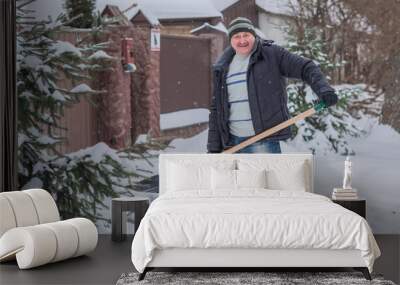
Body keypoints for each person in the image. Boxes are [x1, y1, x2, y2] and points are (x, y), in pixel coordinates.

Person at [207, 17, 338, 154]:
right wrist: (214, 146)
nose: (242, 40)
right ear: (231, 40)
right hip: (231, 144)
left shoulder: (271, 55)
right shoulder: (222, 67)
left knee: (264, 176)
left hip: (262, 141)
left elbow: (306, 67)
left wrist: (324, 90)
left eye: (246, 35)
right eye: (237, 36)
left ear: (254, 36)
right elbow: (217, 110)